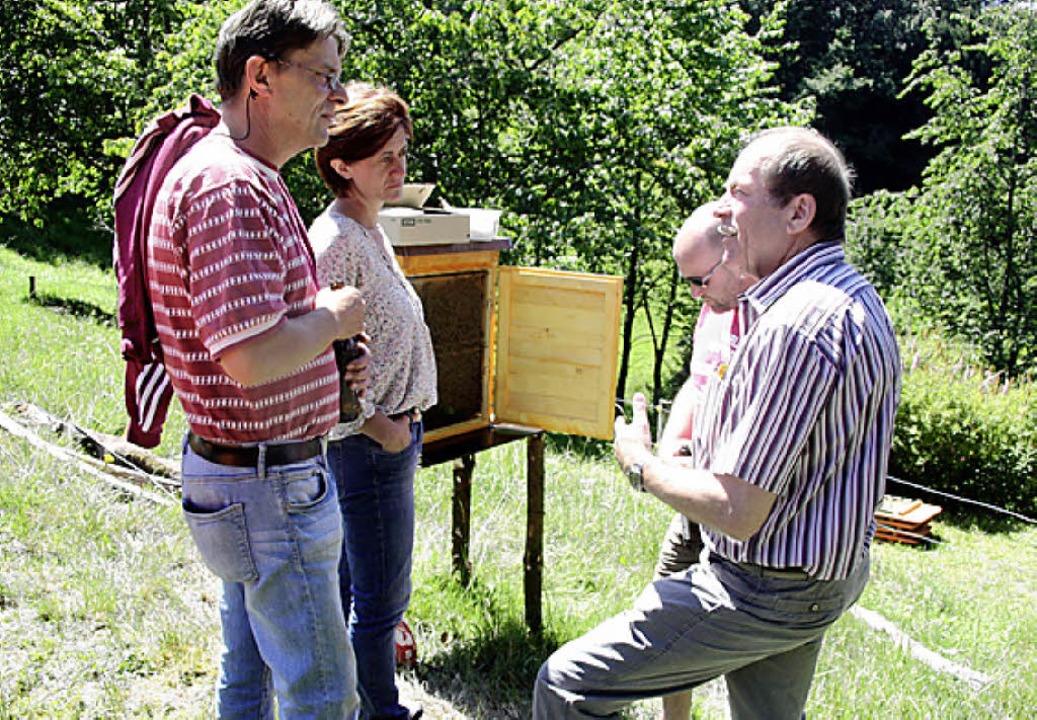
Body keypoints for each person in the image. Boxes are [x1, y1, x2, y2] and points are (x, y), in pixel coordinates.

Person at [532, 126, 902, 719]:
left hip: (765, 586)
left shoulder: (797, 325)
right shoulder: (852, 297)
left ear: (798, 212)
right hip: (813, 577)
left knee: (567, 686)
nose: (722, 211)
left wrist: (641, 466)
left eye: (739, 193)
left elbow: (737, 508)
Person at [145, 1, 365, 717]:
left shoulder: (230, 172)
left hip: (245, 475)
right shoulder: (233, 185)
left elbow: (251, 336)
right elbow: (247, 355)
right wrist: (330, 321)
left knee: (250, 679)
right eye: (324, 76)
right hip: (268, 485)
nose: (339, 95)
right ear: (260, 76)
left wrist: (324, 359)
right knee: (322, 693)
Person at [309, 82, 437, 720]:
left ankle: (344, 706)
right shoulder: (336, 241)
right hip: (366, 447)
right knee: (379, 597)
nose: (400, 168)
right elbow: (317, 361)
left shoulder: (370, 230)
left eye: (403, 152)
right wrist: (380, 425)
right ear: (341, 164)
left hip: (386, 441)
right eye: (385, 156)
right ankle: (379, 714)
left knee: (354, 590)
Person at [653, 201, 756, 720]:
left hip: (748, 514)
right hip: (698, 505)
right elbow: (697, 383)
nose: (695, 293)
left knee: (753, 660)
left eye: (700, 279)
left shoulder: (772, 320)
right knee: (669, 616)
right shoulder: (713, 308)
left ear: (735, 251)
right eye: (687, 282)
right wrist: (671, 446)